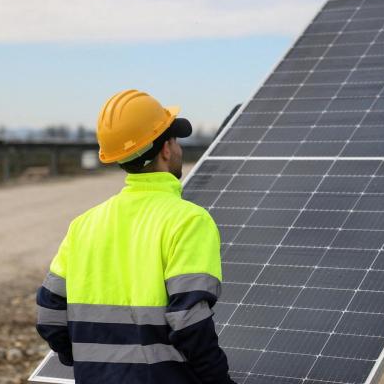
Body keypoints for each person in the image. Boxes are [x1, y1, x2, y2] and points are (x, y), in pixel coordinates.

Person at [36, 89, 236, 384]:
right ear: (166, 149)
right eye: (176, 140)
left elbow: (49, 315)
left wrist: (90, 362)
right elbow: (189, 322)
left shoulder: (84, 225)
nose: (179, 149)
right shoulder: (188, 220)